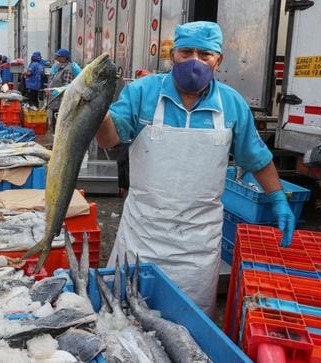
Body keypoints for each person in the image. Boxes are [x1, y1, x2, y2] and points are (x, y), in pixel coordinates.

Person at [95, 21, 296, 318]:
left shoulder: (231, 104)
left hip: (197, 244)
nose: (194, 61)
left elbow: (257, 159)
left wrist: (278, 200)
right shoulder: (142, 92)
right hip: (142, 234)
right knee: (122, 316)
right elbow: (109, 138)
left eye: (204, 54)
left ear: (219, 59)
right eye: (186, 52)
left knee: (188, 325)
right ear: (172, 54)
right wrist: (95, 108)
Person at [46, 48, 78, 133]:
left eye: (58, 57)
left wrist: (60, 93)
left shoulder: (67, 70)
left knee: (59, 126)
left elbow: (67, 87)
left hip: (60, 104)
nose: (55, 58)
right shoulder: (58, 68)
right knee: (54, 124)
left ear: (64, 58)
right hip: (54, 102)